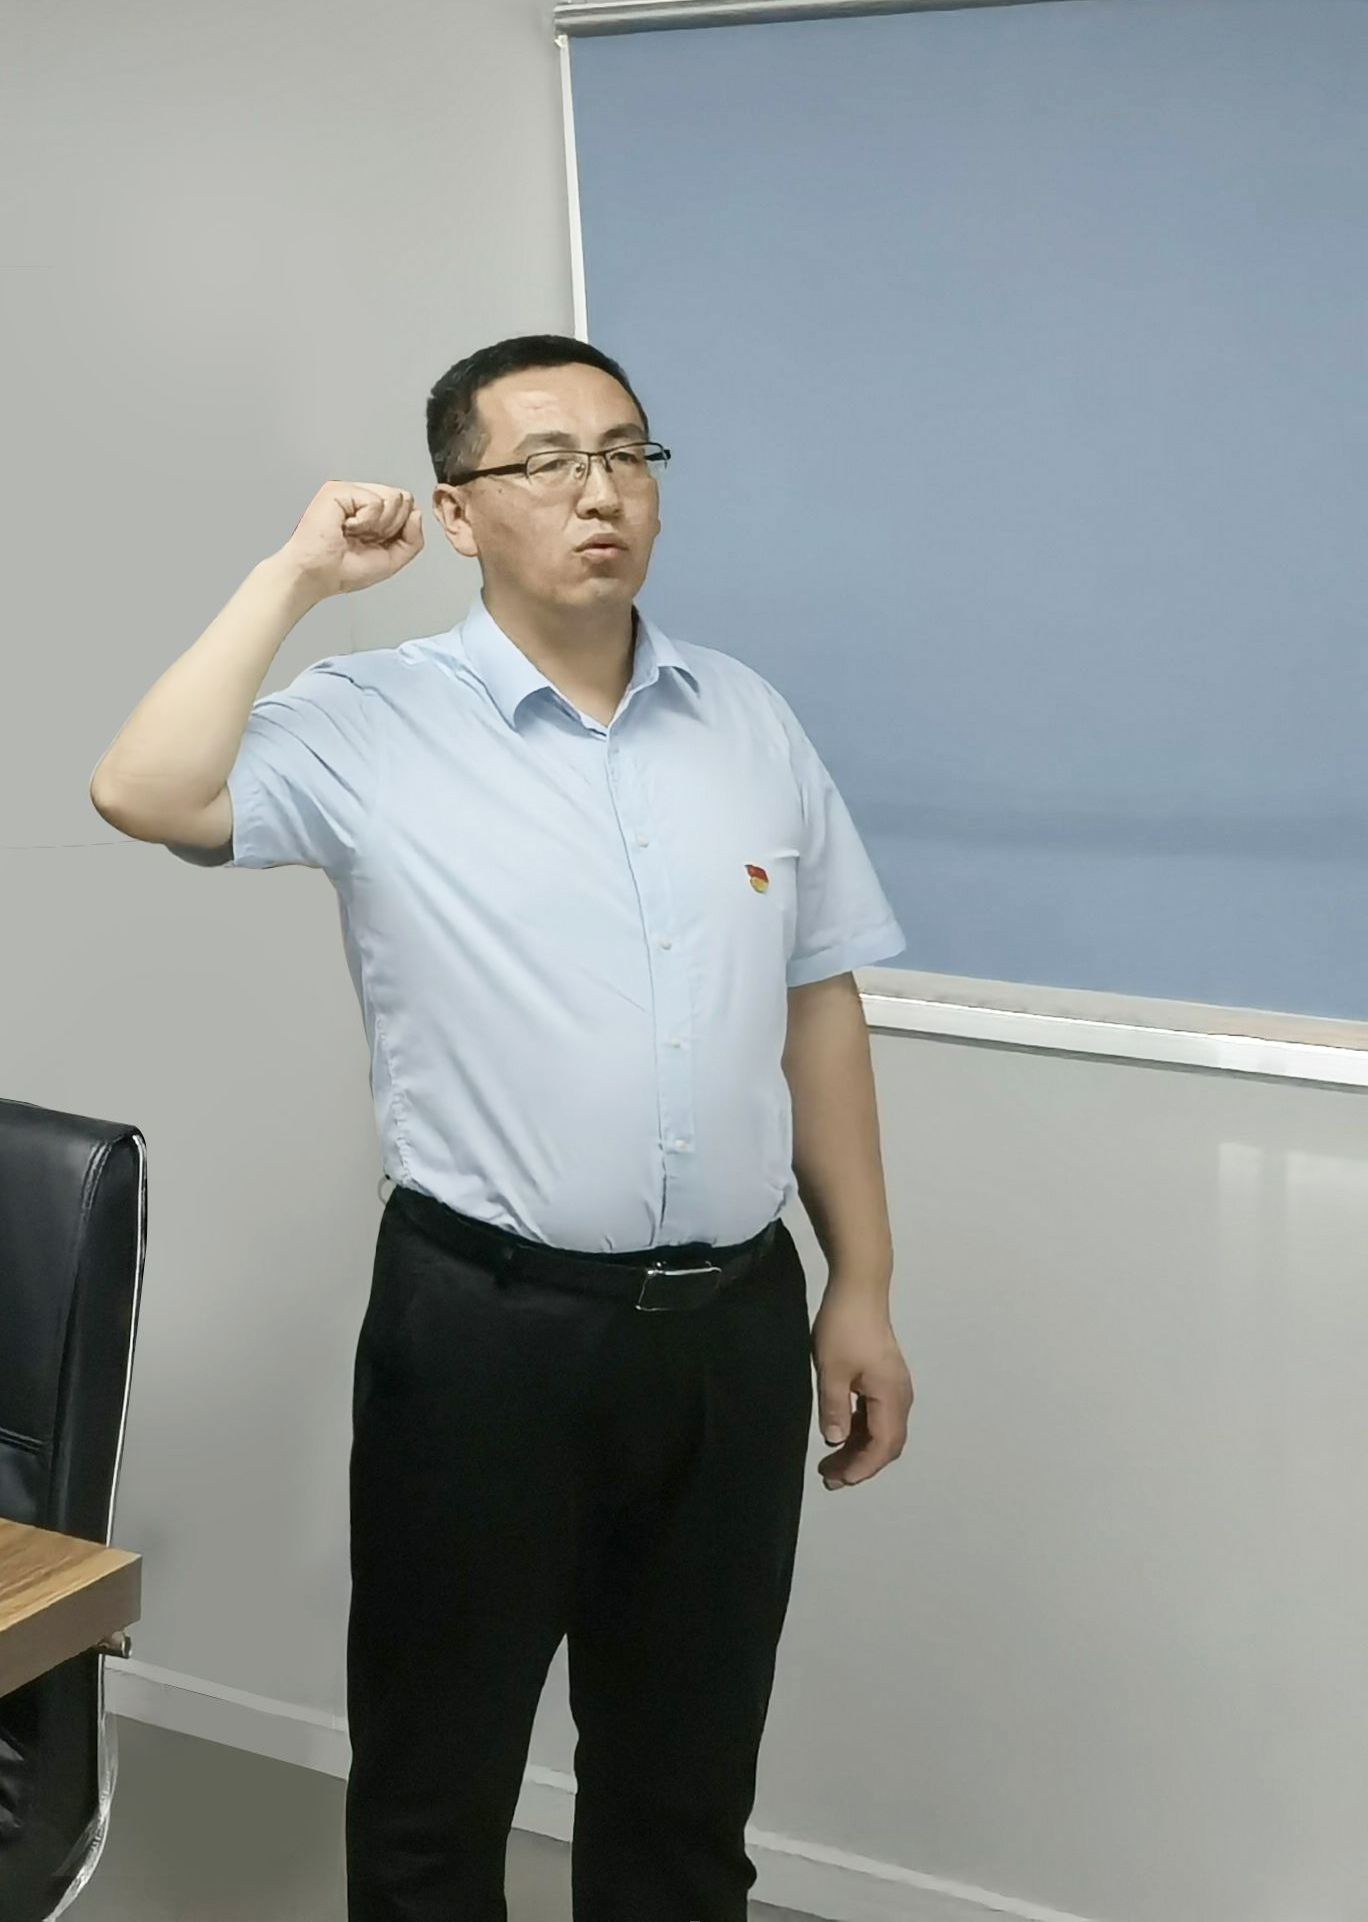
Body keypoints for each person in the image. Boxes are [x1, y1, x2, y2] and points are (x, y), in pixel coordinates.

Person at [87, 336, 912, 1922]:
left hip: (731, 1331)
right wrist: (294, 577)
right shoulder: (374, 718)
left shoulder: (746, 721)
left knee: (686, 1801)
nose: (600, 492)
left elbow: (820, 1006)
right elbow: (146, 789)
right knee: (435, 1794)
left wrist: (860, 1281)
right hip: (484, 1333)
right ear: (458, 515)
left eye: (626, 454)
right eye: (547, 462)